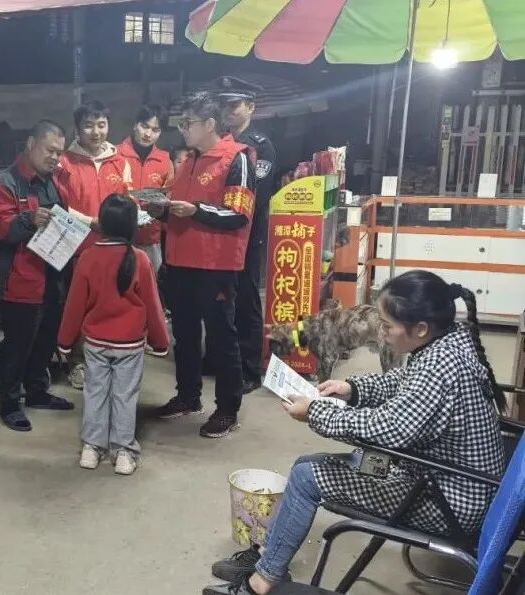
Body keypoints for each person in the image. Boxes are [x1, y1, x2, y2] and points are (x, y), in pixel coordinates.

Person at [205, 270, 506, 595]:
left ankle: (262, 582)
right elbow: (402, 383)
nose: (381, 332)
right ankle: (268, 557)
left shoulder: (440, 368)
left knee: (307, 477)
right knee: (309, 464)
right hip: (442, 479)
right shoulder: (445, 345)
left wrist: (315, 412)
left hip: (445, 501)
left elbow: (388, 429)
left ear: (420, 328)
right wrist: (352, 388)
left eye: (387, 325)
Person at [151, 91, 257, 438]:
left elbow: (238, 214)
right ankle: (188, 396)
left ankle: (227, 409)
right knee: (184, 334)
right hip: (180, 261)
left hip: (216, 266)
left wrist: (195, 211)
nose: (183, 129)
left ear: (210, 124)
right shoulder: (189, 161)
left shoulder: (237, 158)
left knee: (221, 338)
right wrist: (160, 208)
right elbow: (179, 208)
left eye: (188, 123)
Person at [57, 194, 168, 475]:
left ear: (102, 224)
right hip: (129, 344)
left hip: (95, 343)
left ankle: (91, 449)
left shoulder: (88, 257)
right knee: (124, 396)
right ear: (132, 226)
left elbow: (74, 304)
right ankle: (123, 452)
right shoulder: (140, 259)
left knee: (95, 392)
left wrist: (65, 341)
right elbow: (153, 305)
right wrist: (160, 341)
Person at [0, 120, 75, 432]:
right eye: (50, 150)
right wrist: (28, 219)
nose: (55, 157)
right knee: (17, 346)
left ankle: (37, 391)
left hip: (53, 275)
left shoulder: (55, 181)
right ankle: (10, 404)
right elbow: (1, 228)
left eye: (59, 152)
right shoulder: (6, 182)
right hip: (21, 280)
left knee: (45, 339)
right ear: (30, 144)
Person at [203, 77, 277, 394]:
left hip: (247, 234)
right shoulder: (220, 142)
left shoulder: (260, 145)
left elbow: (255, 194)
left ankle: (249, 368)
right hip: (219, 232)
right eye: (225, 105)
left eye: (234, 105)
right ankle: (217, 357)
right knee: (219, 296)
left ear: (251, 107)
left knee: (246, 299)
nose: (228, 111)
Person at [60, 100, 132, 389]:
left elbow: (128, 200)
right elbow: (60, 205)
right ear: (78, 128)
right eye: (88, 125)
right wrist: (89, 222)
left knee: (109, 305)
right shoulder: (65, 163)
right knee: (78, 306)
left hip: (114, 250)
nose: (96, 131)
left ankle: (105, 359)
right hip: (77, 249)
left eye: (101, 124)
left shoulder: (120, 162)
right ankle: (76, 362)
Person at [118, 105, 174, 275]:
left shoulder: (165, 161)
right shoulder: (115, 155)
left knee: (151, 288)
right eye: (145, 126)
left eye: (155, 130)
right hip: (118, 238)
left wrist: (161, 208)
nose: (148, 134)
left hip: (150, 241)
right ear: (135, 124)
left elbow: (169, 198)